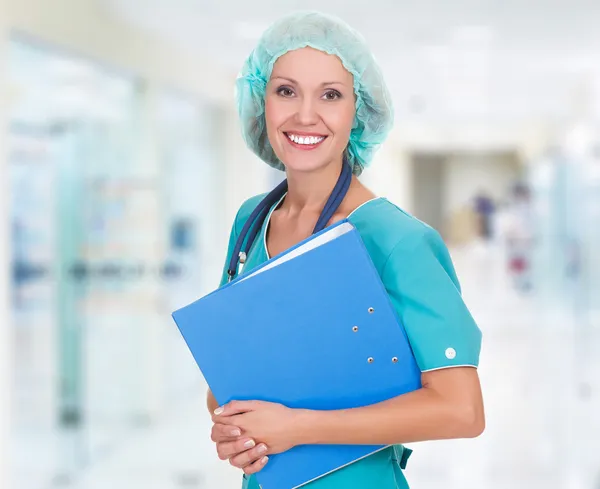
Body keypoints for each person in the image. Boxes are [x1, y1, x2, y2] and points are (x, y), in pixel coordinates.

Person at [206, 11, 485, 489]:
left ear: (359, 110)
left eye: (330, 95)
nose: (304, 115)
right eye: (286, 91)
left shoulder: (396, 240)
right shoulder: (251, 222)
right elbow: (225, 382)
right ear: (262, 100)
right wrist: (235, 428)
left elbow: (462, 410)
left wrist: (297, 428)